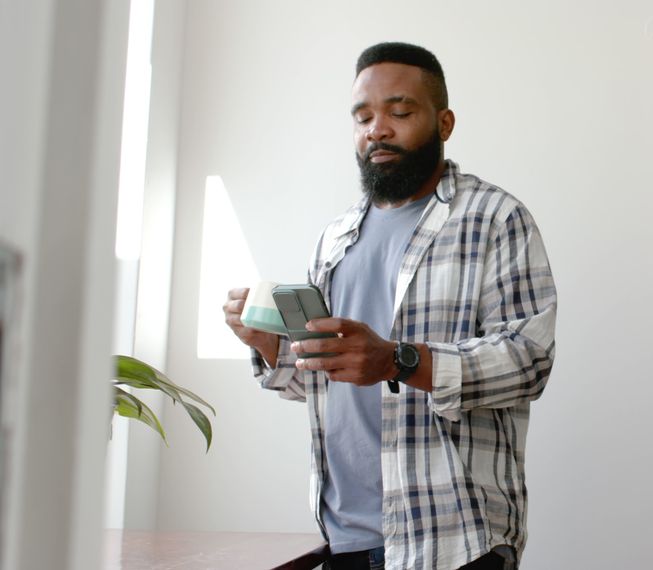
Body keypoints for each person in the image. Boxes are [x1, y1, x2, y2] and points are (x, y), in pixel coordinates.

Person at [222, 42, 557, 570]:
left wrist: (398, 360)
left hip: (453, 537)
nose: (377, 129)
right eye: (363, 117)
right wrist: (270, 347)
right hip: (342, 534)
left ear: (444, 123)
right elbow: (325, 378)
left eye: (399, 113)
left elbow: (528, 361)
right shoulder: (334, 239)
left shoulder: (497, 217)